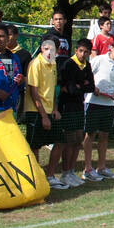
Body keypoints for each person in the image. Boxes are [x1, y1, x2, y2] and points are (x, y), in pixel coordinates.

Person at [24, 37, 65, 190]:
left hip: (49, 110)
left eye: (53, 49)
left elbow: (53, 89)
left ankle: (49, 176)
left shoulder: (53, 64)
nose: (49, 52)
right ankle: (37, 179)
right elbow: (33, 92)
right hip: (35, 111)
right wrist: (43, 116)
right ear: (42, 48)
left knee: (60, 141)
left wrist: (54, 109)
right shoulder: (35, 64)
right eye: (47, 48)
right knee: (35, 146)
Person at [84, 41, 114, 180]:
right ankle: (87, 169)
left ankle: (101, 167)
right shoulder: (99, 59)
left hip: (108, 105)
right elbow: (87, 74)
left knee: (104, 135)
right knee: (90, 134)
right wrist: (93, 87)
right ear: (111, 49)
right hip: (93, 102)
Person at [57, 38, 95, 187]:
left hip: (79, 105)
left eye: (86, 52)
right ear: (76, 50)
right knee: (68, 140)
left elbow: (91, 86)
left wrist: (80, 86)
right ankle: (65, 173)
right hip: (67, 106)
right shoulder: (68, 64)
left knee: (78, 138)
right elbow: (70, 88)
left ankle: (71, 171)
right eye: (81, 51)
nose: (83, 54)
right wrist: (80, 85)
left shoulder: (87, 65)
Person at [0, 23, 24, 116]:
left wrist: (21, 80)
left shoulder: (14, 58)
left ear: (7, 38)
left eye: (1, 36)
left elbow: (20, 83)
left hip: (11, 108)